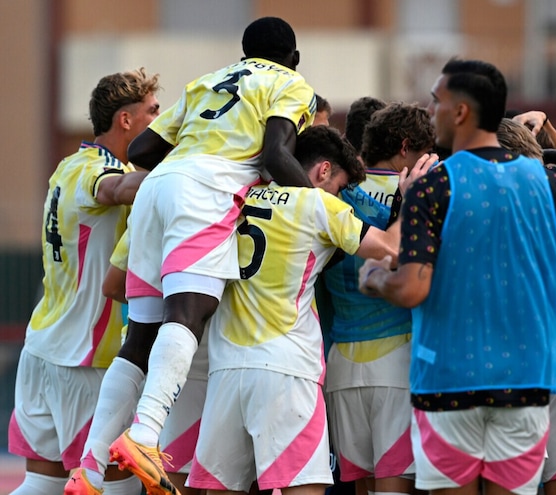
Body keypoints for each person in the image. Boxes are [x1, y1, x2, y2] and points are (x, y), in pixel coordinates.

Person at [77, 17, 317, 495]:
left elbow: (144, 148)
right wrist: (313, 203)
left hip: (156, 191)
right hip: (205, 192)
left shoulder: (207, 80)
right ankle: (145, 434)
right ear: (293, 57)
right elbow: (276, 155)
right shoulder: (292, 83)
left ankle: (89, 467)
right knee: (188, 312)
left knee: (141, 335)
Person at [358, 58, 556, 495]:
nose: (430, 113)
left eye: (435, 102)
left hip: (450, 382)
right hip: (526, 381)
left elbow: (410, 287)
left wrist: (372, 276)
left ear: (460, 112)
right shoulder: (549, 185)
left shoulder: (434, 186)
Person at [185, 125, 402, 495]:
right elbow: (390, 250)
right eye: (339, 186)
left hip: (225, 369)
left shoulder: (237, 197)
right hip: (287, 369)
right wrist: (411, 199)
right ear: (323, 171)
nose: (340, 197)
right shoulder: (317, 203)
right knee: (304, 488)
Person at [8, 68, 160, 495]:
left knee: (42, 484)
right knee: (118, 486)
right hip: (86, 361)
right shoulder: (97, 170)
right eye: (152, 111)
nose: (159, 121)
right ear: (125, 120)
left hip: (42, 349)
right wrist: (187, 173)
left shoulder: (66, 167)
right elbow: (117, 190)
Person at [320, 103, 436, 495]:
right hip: (398, 362)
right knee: (393, 488)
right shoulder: (424, 190)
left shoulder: (333, 191)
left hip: (340, 366)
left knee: (360, 488)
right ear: (407, 148)